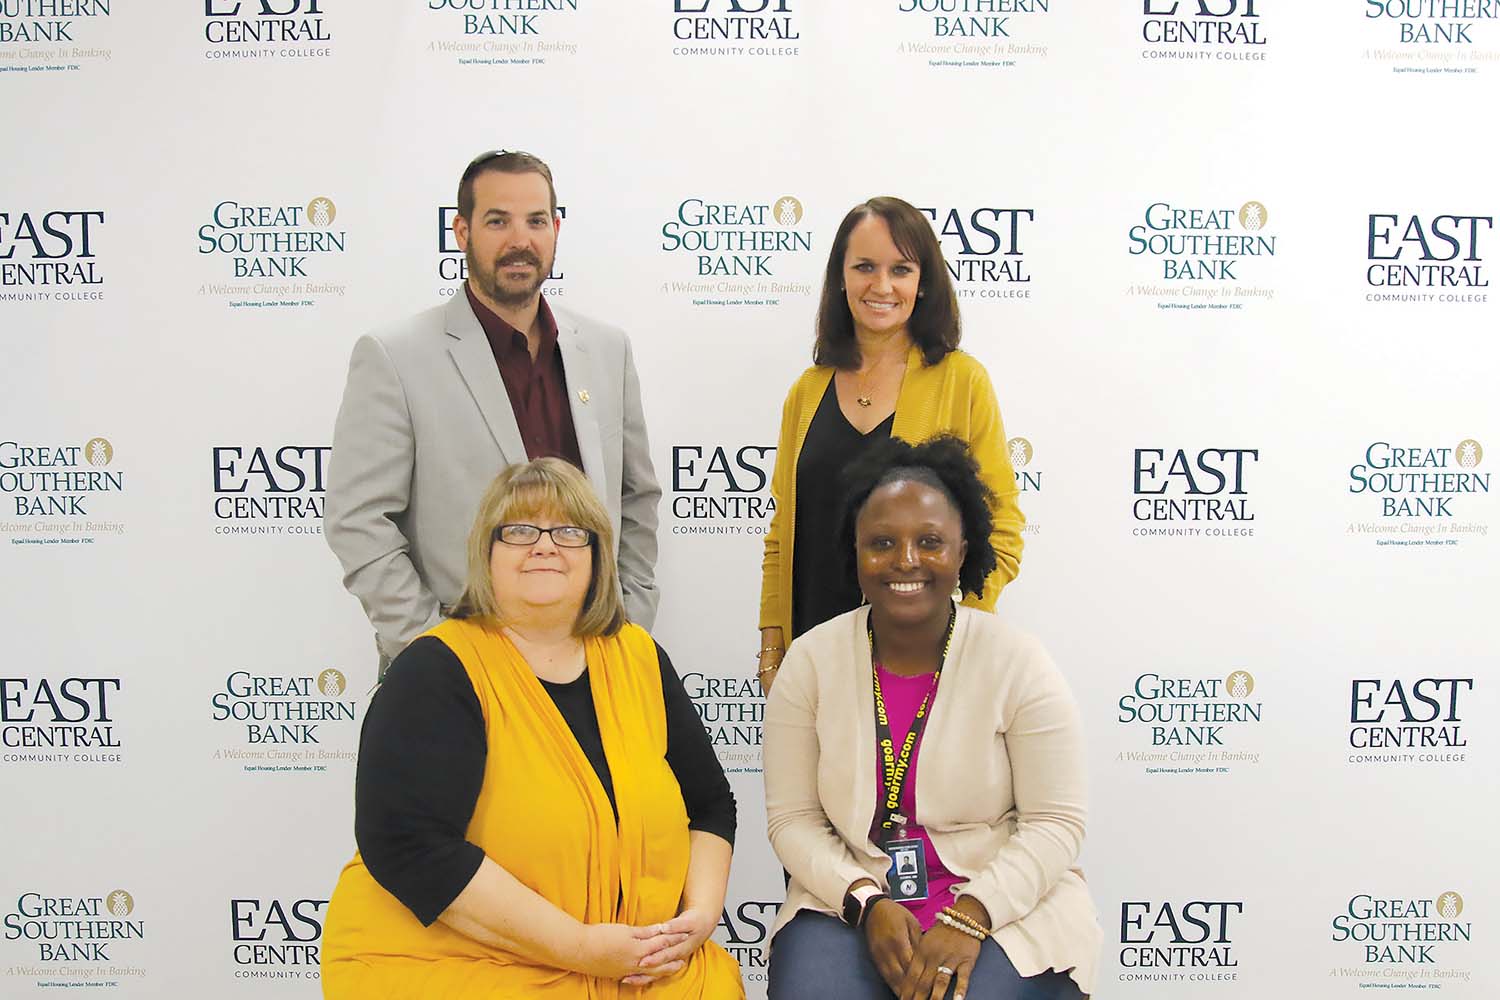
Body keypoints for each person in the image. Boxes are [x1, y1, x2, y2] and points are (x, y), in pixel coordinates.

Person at [321, 458, 743, 998]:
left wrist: (699, 918)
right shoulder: (436, 669)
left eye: (569, 531)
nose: (545, 546)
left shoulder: (639, 657)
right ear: (486, 553)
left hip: (642, 965)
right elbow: (407, 845)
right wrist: (581, 948)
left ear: (597, 556)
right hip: (464, 965)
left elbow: (709, 804)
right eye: (519, 531)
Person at [763, 435, 1098, 1000]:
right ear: (855, 551)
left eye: (930, 542)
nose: (906, 560)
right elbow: (792, 820)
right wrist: (865, 901)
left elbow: (1055, 823)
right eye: (882, 543)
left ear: (963, 551)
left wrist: (972, 914)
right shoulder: (812, 662)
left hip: (1002, 901)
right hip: (852, 897)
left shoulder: (1017, 661)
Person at [326, 150, 661, 670]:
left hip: (592, 665)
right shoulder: (395, 356)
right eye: (498, 221)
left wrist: (625, 627)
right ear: (462, 232)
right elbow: (358, 521)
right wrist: (440, 653)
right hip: (458, 674)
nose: (519, 241)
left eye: (536, 221)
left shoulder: (606, 349)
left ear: (556, 230)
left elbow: (636, 497)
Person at [756, 196, 1024, 692]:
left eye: (900, 269)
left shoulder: (962, 381)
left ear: (923, 282)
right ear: (840, 277)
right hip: (813, 659)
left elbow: (1001, 527)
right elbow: (781, 536)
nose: (881, 286)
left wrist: (956, 631)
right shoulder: (807, 391)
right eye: (865, 267)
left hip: (923, 663)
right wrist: (774, 648)